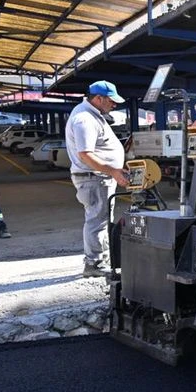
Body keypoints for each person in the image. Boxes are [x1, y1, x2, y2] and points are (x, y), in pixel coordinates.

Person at [66, 80, 128, 277]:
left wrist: (116, 166)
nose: (114, 104)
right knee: (97, 220)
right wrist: (113, 171)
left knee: (100, 219)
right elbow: (86, 154)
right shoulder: (85, 119)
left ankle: (101, 259)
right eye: (111, 100)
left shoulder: (92, 115)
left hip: (97, 177)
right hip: (94, 178)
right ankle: (94, 263)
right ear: (99, 98)